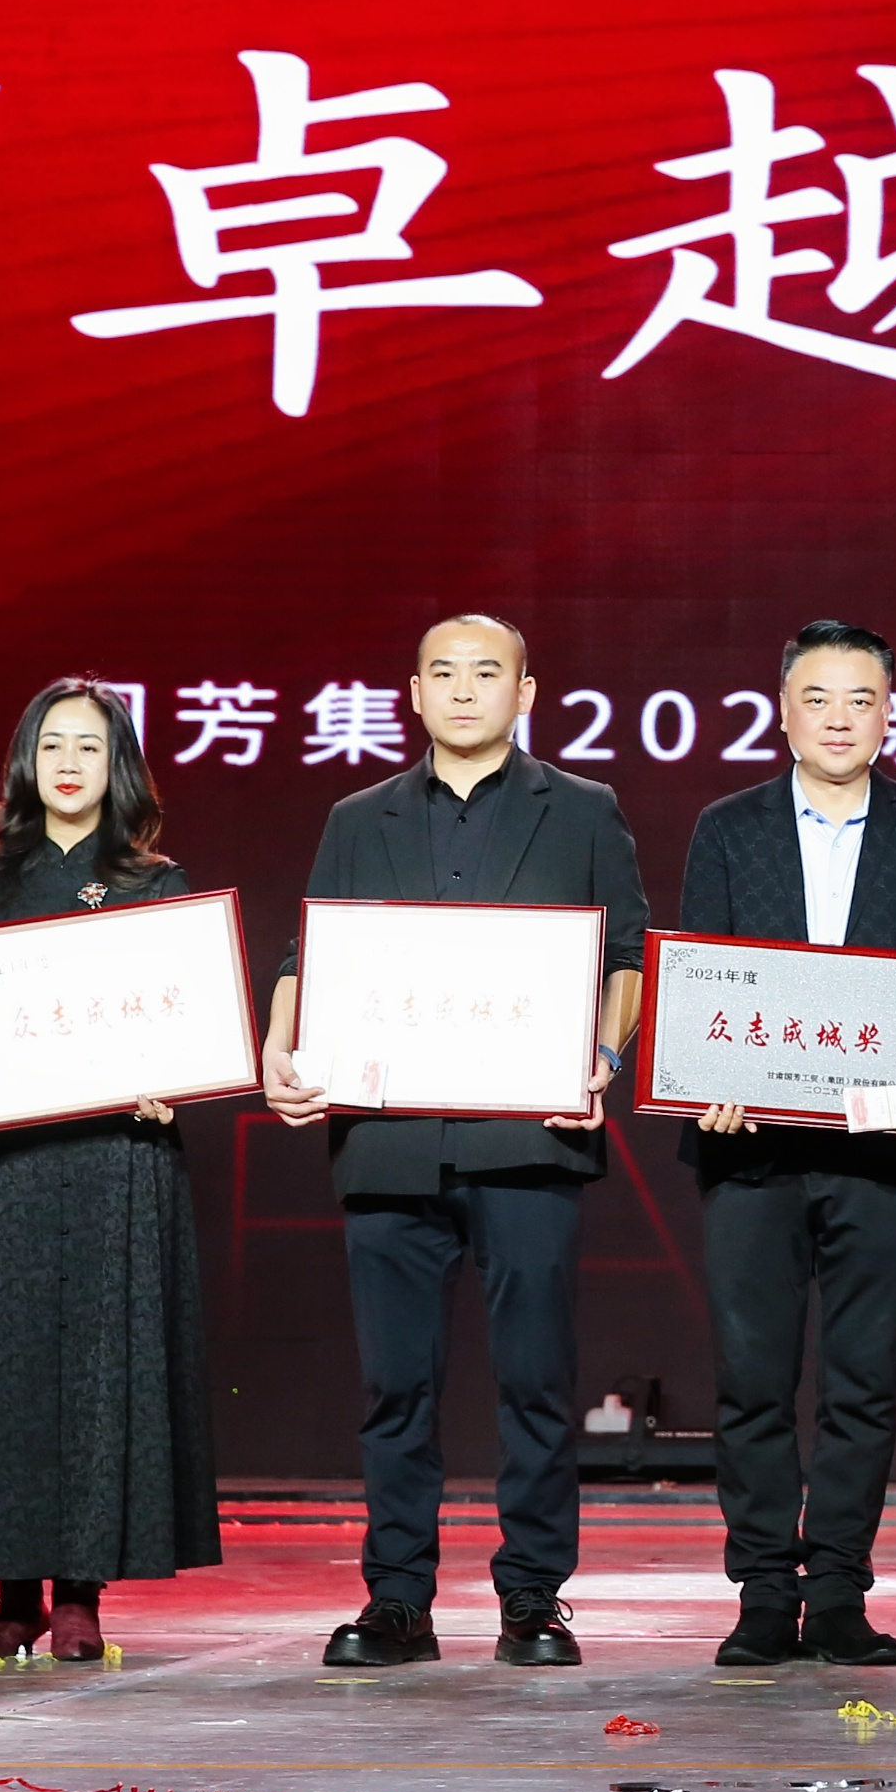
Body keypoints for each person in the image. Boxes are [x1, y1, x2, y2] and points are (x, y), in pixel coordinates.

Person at [262, 613, 650, 1670]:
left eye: (487, 672)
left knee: (535, 1378)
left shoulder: (582, 808)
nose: (465, 689)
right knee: (397, 1384)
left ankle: (533, 1595)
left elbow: (626, 954)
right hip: (391, 1140)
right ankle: (397, 1599)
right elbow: (312, 952)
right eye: (443, 671)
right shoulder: (359, 816)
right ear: (415, 693)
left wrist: (600, 1057)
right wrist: (280, 1046)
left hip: (528, 1134)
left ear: (526, 691)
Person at [0, 680, 221, 1658]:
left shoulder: (156, 882)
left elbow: (193, 1019)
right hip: (8, 1159)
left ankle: (80, 1590)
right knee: (8, 1366)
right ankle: (15, 1592)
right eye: (51, 745)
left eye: (89, 745)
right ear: (26, 764)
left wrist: (179, 1082)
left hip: (117, 1157)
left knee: (99, 1368)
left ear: (119, 766)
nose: (69, 762)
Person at [675, 619, 896, 1667]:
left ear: (890, 712)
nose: (839, 717)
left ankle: (840, 1588)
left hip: (879, 1145)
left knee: (860, 1381)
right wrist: (704, 1083)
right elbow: (701, 978)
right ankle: (765, 1590)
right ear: (783, 710)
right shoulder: (728, 826)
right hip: (749, 1148)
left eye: (861, 698)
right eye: (818, 696)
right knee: (753, 1379)